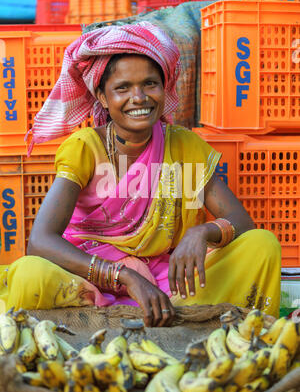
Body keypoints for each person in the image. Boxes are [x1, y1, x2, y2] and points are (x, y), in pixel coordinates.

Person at [0, 22, 282, 325]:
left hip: (167, 283)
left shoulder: (184, 146)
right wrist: (124, 276)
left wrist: (202, 232)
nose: (139, 97)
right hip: (87, 280)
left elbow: (242, 223)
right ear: (103, 97)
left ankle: (237, 337)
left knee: (261, 245)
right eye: (123, 88)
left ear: (164, 89)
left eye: (150, 84)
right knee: (29, 274)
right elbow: (41, 240)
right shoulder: (86, 148)